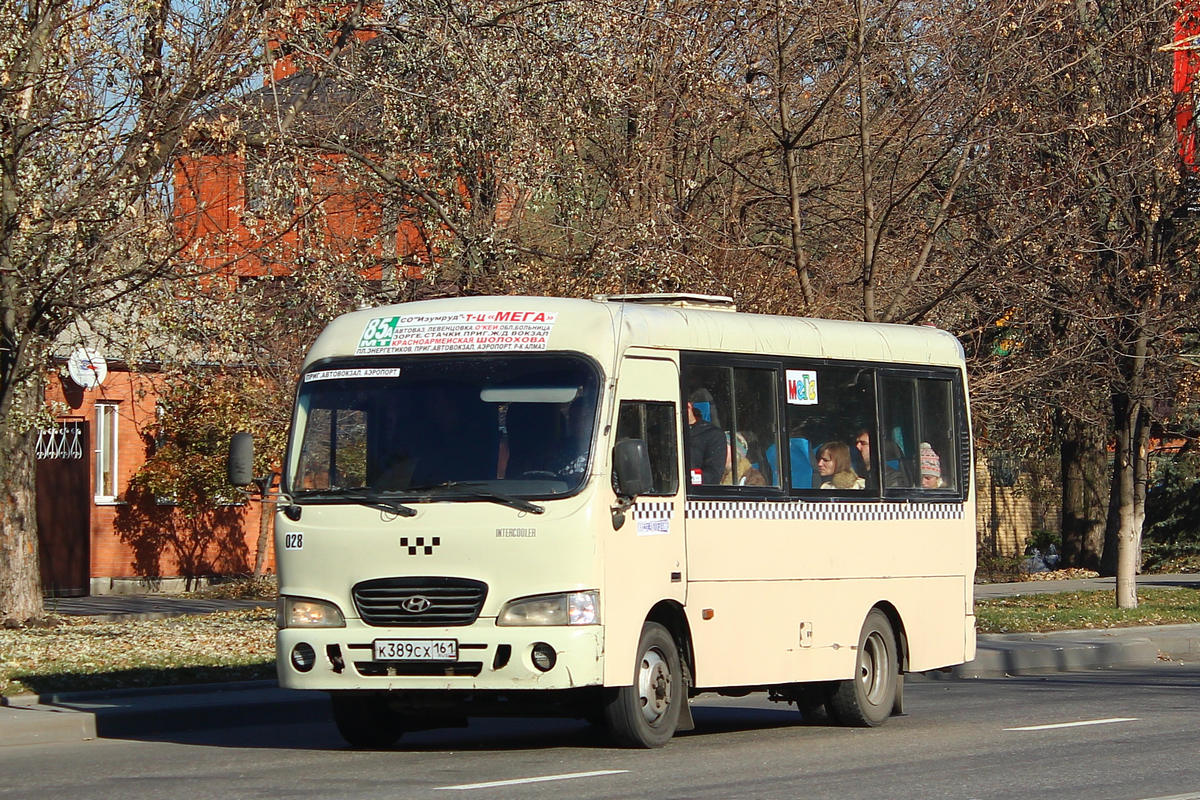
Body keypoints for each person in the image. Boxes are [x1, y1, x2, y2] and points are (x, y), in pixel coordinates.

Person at [687, 400, 726, 485]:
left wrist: (687, 478)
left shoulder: (713, 434)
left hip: (696, 494)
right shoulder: (661, 433)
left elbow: (713, 475)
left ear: (689, 406)